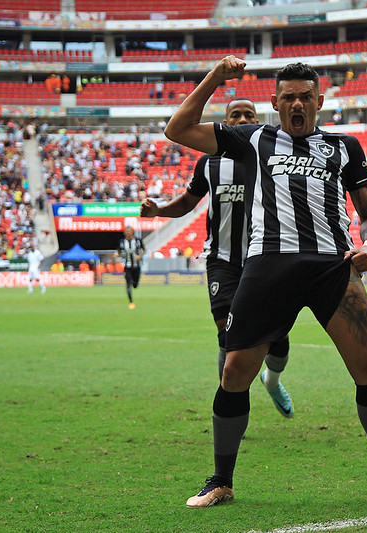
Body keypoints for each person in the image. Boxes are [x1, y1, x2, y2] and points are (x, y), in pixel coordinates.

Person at [164, 56, 367, 508]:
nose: (297, 104)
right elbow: (178, 128)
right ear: (275, 103)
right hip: (268, 265)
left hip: (332, 266)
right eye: (288, 98)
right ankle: (221, 480)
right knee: (234, 372)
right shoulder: (253, 138)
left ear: (320, 101)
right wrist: (216, 78)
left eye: (306, 96)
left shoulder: (346, 147)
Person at [139, 98, 293, 418]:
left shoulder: (274, 158)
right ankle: (232, 405)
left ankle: (272, 379)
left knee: (278, 340)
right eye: (234, 115)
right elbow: (187, 203)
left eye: (248, 115)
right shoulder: (209, 162)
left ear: (258, 120)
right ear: (223, 122)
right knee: (228, 332)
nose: (240, 119)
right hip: (222, 259)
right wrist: (159, 211)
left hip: (264, 258)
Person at [115, 226, 144, 309]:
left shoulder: (138, 241)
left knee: (135, 285)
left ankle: (134, 283)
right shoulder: (122, 242)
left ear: (132, 232)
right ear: (124, 232)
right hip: (127, 266)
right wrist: (117, 255)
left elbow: (144, 250)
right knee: (128, 284)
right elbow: (119, 251)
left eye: (129, 231)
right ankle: (131, 302)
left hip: (137, 266)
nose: (128, 233)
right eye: (126, 231)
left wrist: (140, 256)